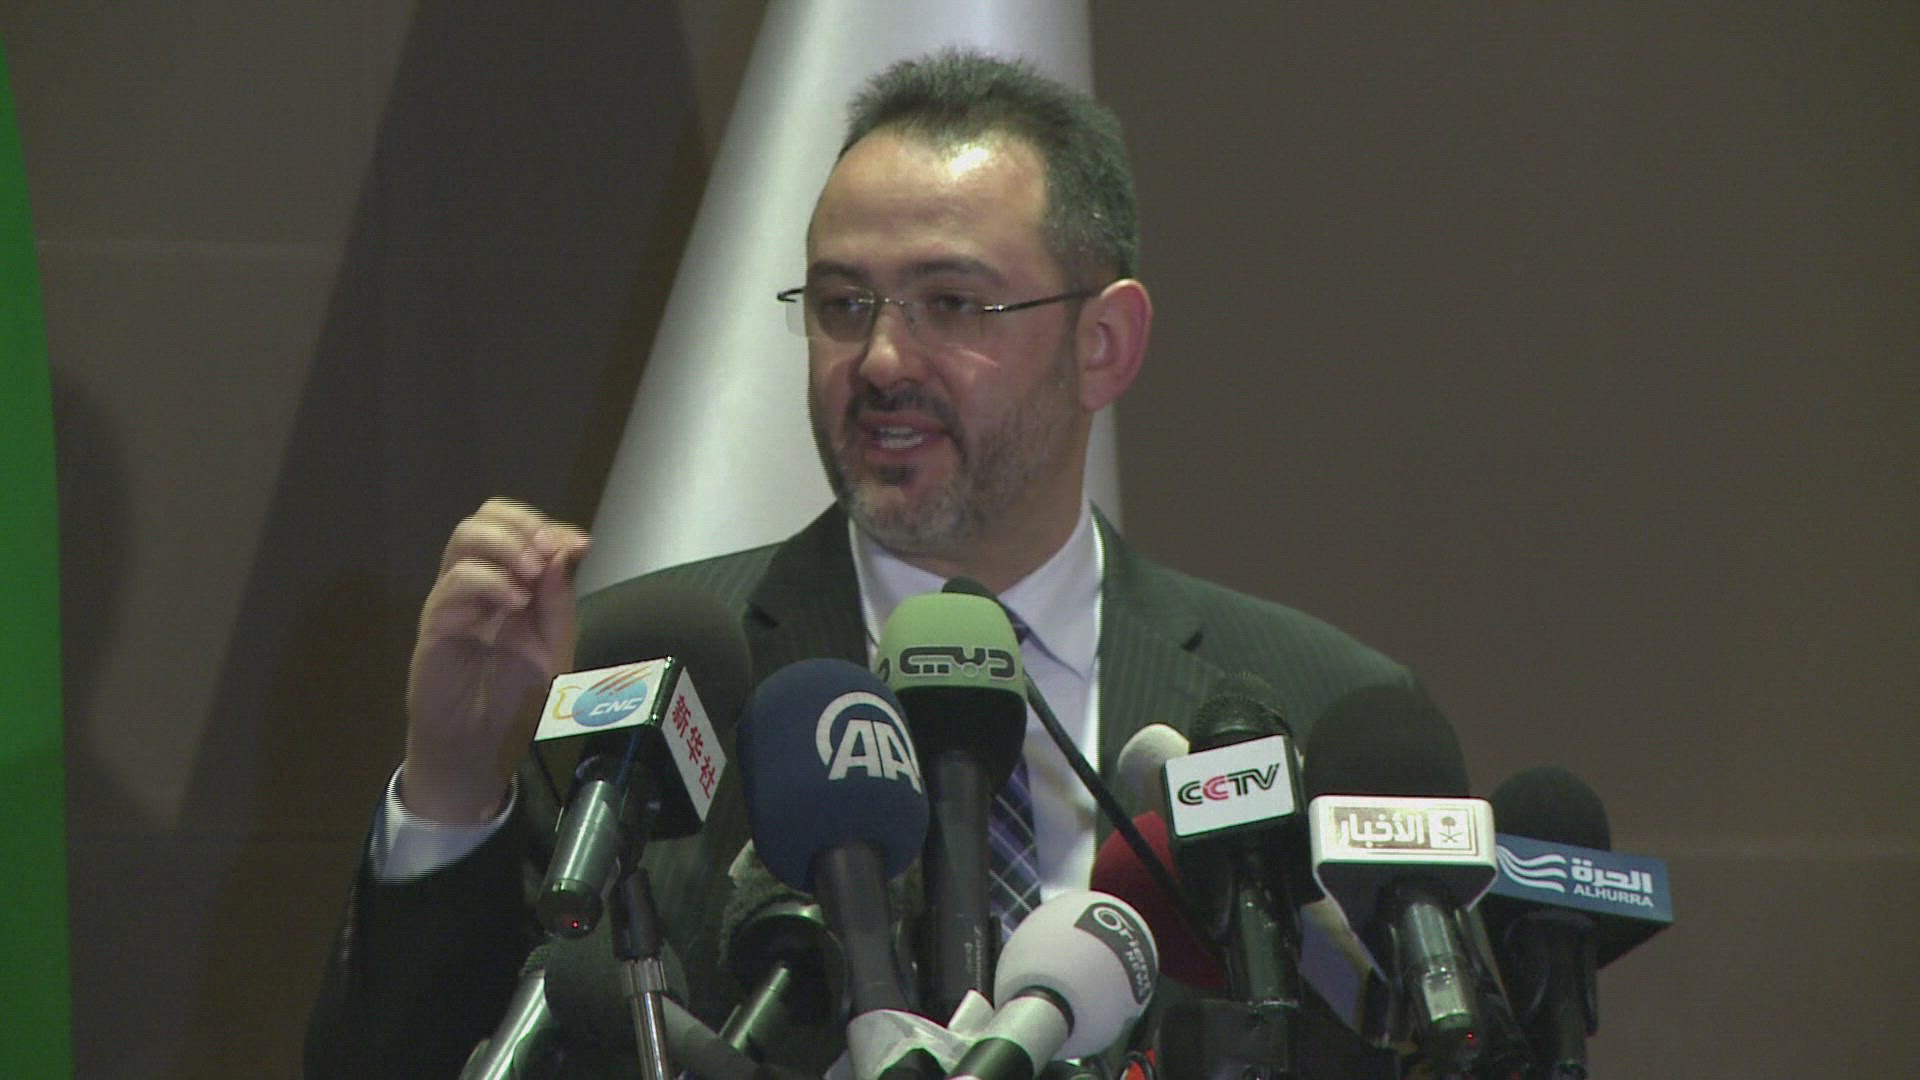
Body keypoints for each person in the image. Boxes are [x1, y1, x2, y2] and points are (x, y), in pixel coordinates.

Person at [306, 50, 1411, 1078]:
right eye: (842, 304)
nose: (880, 359)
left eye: (952, 303)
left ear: (1103, 343)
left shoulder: (1320, 713)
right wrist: (452, 782)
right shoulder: (654, 679)